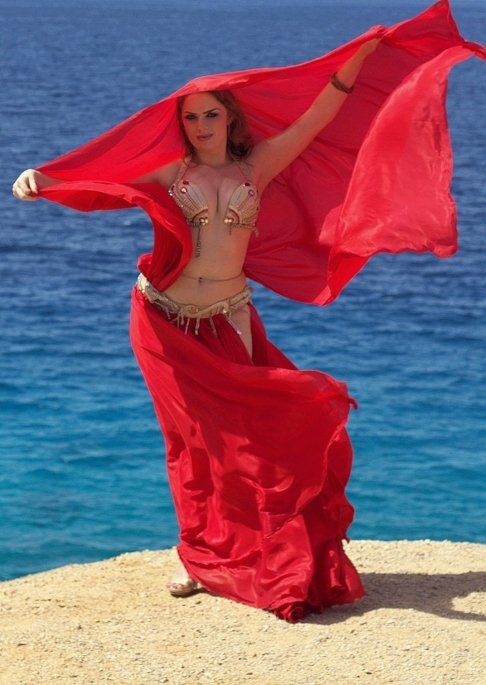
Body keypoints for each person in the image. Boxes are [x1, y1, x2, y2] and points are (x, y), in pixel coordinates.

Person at [12, 1, 483, 622]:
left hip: (229, 315)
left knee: (254, 438)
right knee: (189, 444)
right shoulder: (170, 171)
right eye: (191, 116)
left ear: (229, 118)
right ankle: (196, 555)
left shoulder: (256, 167)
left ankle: (250, 548)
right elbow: (108, 177)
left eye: (211, 113)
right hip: (161, 319)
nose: (201, 124)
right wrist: (44, 178)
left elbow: (319, 117)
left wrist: (358, 58)